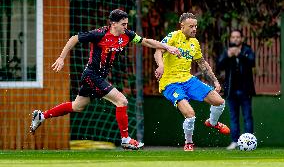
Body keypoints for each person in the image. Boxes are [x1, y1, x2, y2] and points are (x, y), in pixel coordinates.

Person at [30, 9, 180, 150]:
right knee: (121, 100)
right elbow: (74, 38)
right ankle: (126, 139)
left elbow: (146, 41)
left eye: (126, 24)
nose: (125, 27)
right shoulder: (99, 34)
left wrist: (167, 47)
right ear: (113, 23)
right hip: (91, 75)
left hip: (98, 77)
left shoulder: (127, 35)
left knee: (77, 106)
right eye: (123, 24)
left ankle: (42, 115)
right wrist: (61, 58)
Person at [154, 12, 230, 152]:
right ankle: (189, 143)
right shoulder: (173, 36)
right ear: (182, 26)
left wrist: (215, 81)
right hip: (170, 83)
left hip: (188, 80)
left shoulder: (194, 42)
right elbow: (158, 50)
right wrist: (161, 65)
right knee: (190, 114)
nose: (194, 29)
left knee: (219, 102)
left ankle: (212, 123)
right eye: (191, 26)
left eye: (196, 26)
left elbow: (202, 63)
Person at [217, 29, 255, 150]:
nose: (235, 39)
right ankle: (235, 141)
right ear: (230, 39)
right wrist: (228, 56)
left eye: (238, 37)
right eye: (233, 37)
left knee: (247, 116)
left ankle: (249, 141)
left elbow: (252, 62)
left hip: (245, 90)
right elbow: (218, 66)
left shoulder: (247, 50)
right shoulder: (227, 51)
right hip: (231, 90)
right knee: (234, 117)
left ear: (242, 39)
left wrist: (240, 54)